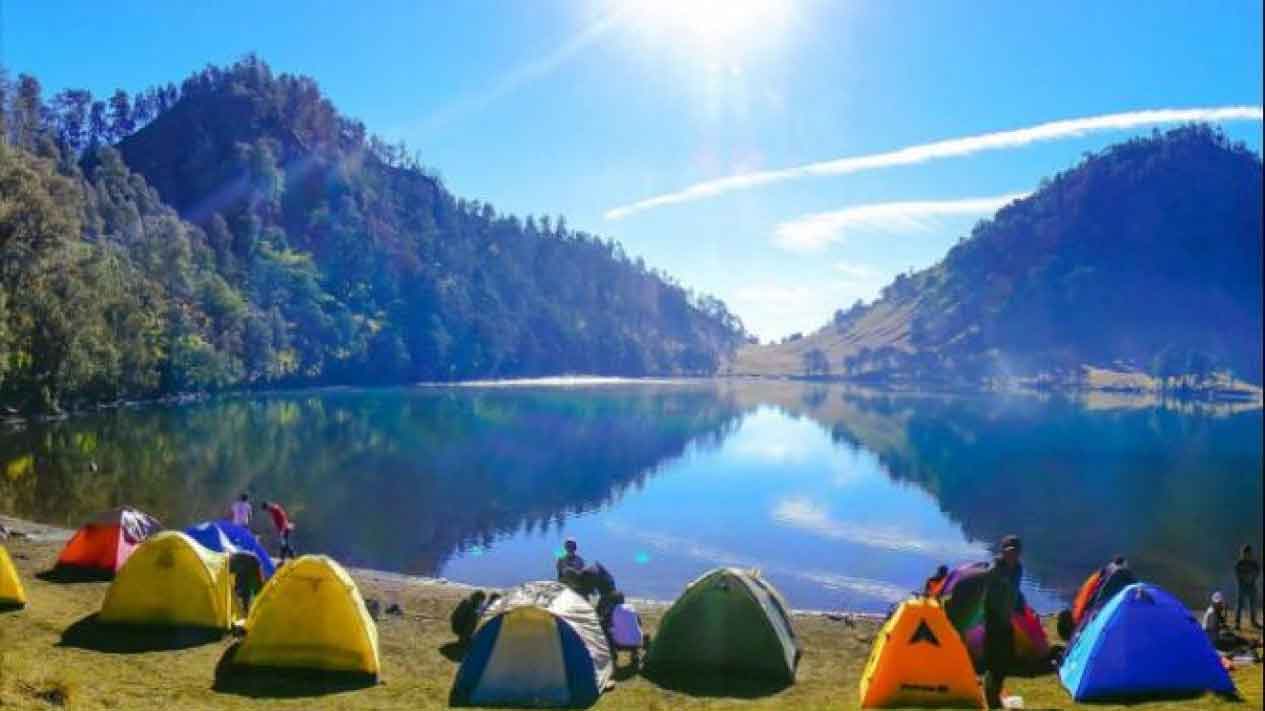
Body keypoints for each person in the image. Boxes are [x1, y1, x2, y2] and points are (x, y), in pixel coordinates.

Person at [982, 534, 1024, 709]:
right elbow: (985, 592)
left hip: (1006, 620)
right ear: (1003, 551)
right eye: (1009, 551)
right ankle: (991, 698)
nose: (1012, 555)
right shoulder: (995, 568)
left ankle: (994, 694)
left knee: (1005, 660)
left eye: (1015, 552)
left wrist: (1020, 606)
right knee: (994, 661)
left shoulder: (1018, 569)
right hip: (993, 619)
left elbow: (1014, 591)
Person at [1234, 544, 1261, 629]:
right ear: (1243, 554)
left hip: (1252, 586)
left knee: (1253, 605)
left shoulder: (1254, 563)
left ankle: (1253, 622)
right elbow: (1237, 574)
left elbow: (1257, 572)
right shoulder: (1239, 563)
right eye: (1246, 553)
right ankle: (1237, 623)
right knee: (1239, 605)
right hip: (1242, 586)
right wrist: (1245, 578)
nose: (1248, 555)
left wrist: (1252, 577)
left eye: (1249, 553)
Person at [229, 551, 263, 616]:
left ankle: (246, 610)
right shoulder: (233, 560)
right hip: (253, 560)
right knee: (256, 588)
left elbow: (239, 577)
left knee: (246, 589)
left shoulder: (232, 563)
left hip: (249, 563)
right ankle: (256, 608)